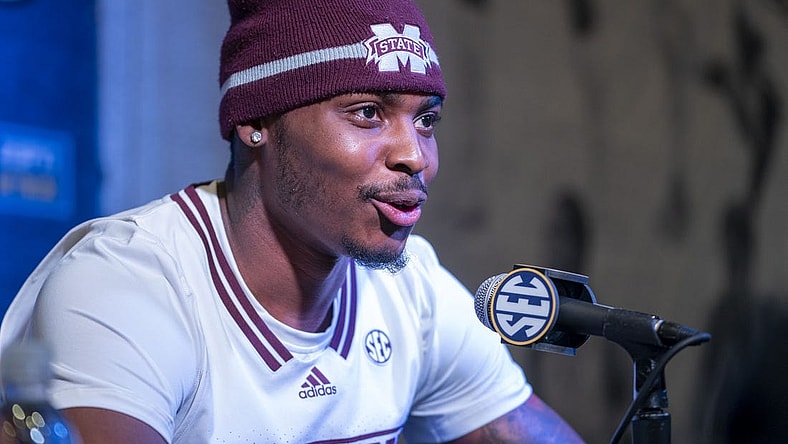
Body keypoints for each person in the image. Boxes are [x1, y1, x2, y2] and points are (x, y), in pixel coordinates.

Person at [0, 0, 585, 442]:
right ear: (256, 120)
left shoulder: (414, 291)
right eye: (367, 113)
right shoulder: (126, 284)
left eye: (426, 120)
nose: (415, 155)